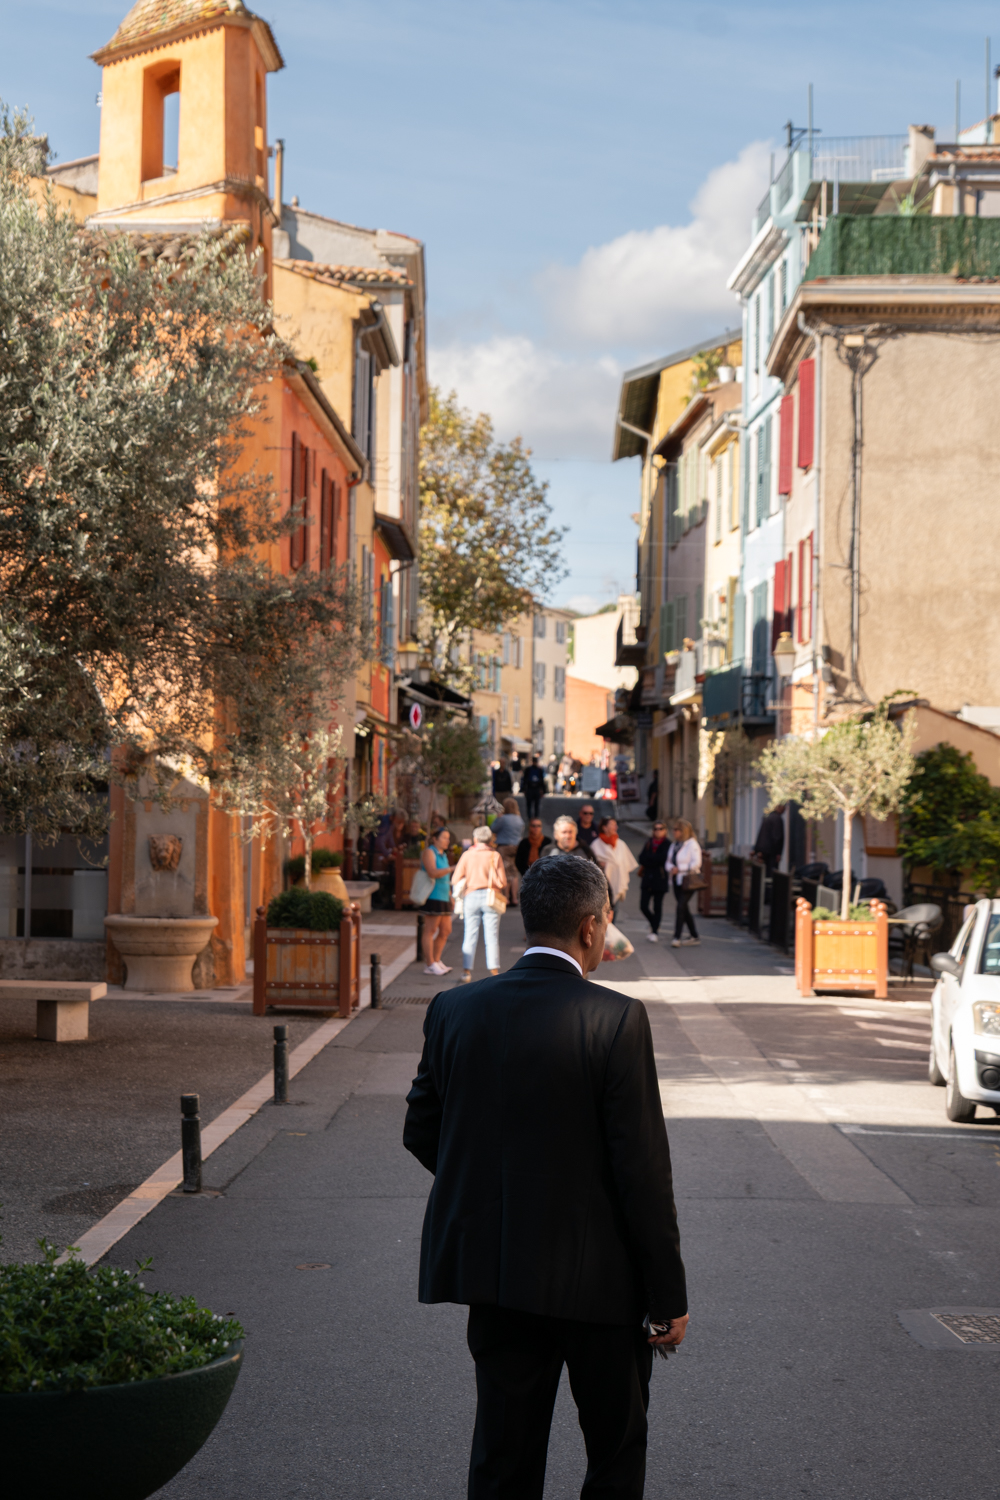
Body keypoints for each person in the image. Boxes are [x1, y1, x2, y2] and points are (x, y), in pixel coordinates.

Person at [403, 856, 688, 1499]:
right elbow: (642, 1171)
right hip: (602, 1282)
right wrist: (667, 1294)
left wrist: (492, 1184)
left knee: (503, 1456)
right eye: (607, 919)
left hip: (498, 1273)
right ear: (590, 928)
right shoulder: (617, 1018)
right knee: (614, 1454)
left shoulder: (454, 1008)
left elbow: (421, 1129)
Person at [451, 826, 509, 981]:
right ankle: (494, 972)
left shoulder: (467, 855)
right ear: (490, 840)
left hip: (471, 896)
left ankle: (466, 972)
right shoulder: (495, 855)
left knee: (469, 934)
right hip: (491, 897)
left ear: (475, 839)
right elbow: (503, 882)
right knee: (492, 936)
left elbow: (455, 879)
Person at [420, 827, 454, 977]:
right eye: (444, 837)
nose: (447, 841)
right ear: (435, 839)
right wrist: (451, 868)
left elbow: (445, 879)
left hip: (444, 896)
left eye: (448, 838)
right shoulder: (429, 852)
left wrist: (450, 895)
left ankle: (436, 960)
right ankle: (429, 963)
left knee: (446, 930)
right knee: (430, 930)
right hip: (433, 896)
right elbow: (432, 872)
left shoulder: (443, 854)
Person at [591, 816, 638, 923]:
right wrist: (601, 865)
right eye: (612, 824)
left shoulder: (621, 844)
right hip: (602, 885)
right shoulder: (596, 844)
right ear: (604, 827)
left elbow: (626, 863)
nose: (615, 827)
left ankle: (612, 928)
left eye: (615, 825)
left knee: (614, 909)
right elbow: (591, 864)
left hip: (617, 882)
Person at [666, 818, 701, 947]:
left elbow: (696, 863)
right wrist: (671, 868)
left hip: (688, 881)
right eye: (673, 829)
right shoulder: (674, 845)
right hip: (676, 880)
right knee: (684, 908)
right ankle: (694, 935)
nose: (674, 832)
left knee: (680, 907)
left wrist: (680, 869)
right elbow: (668, 861)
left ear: (684, 831)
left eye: (676, 829)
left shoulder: (692, 845)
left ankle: (677, 937)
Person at [637, 820, 671, 942]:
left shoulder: (667, 844)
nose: (658, 831)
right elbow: (641, 858)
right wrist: (653, 859)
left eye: (660, 829)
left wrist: (650, 859)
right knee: (643, 906)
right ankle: (654, 923)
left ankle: (654, 931)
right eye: (655, 829)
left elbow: (662, 859)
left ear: (665, 831)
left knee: (657, 906)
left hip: (660, 879)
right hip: (647, 878)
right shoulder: (649, 842)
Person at [490, 797, 525, 906]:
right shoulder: (519, 819)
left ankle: (506, 897)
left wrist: (497, 818)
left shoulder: (503, 818)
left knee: (504, 871)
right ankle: (514, 898)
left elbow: (493, 829)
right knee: (514, 872)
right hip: (516, 846)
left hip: (504, 846)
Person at [753, 804, 786, 872]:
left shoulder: (767, 817)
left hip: (763, 850)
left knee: (764, 871)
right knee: (771, 871)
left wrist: (757, 849)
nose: (785, 810)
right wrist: (778, 853)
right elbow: (777, 837)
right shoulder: (777, 819)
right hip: (771, 851)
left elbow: (761, 834)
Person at [522, 754, 546, 820]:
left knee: (535, 805)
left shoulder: (538, 770)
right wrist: (524, 789)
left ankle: (535, 817)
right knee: (530, 805)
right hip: (530, 788)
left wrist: (543, 790)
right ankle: (530, 817)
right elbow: (525, 779)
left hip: (535, 789)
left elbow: (541, 780)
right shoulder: (529, 769)